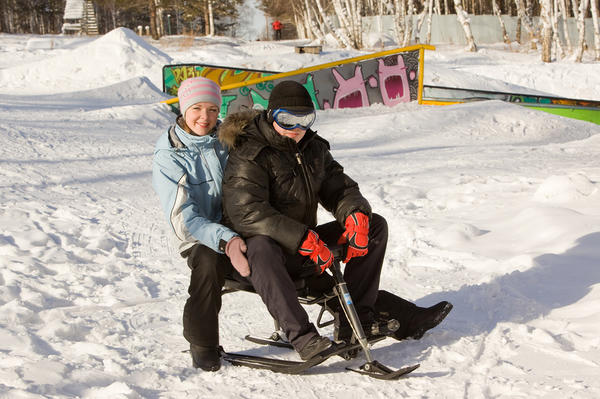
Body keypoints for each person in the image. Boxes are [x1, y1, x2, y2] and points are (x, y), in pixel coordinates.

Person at [219, 80, 453, 361]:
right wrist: (301, 238)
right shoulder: (249, 152)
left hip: (306, 245)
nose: (296, 129)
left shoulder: (312, 148)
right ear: (271, 115)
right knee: (261, 246)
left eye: (304, 120)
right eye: (287, 120)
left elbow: (340, 188)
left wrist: (355, 215)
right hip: (266, 256)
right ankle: (304, 338)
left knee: (375, 225)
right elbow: (247, 212)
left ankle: (358, 320)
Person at [152, 76, 250, 372]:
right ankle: (202, 340)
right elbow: (184, 218)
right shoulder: (170, 152)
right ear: (183, 110)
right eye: (196, 109)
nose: (205, 118)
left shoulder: (227, 139)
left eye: (211, 109)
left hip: (238, 224)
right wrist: (226, 239)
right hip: (198, 236)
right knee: (209, 262)